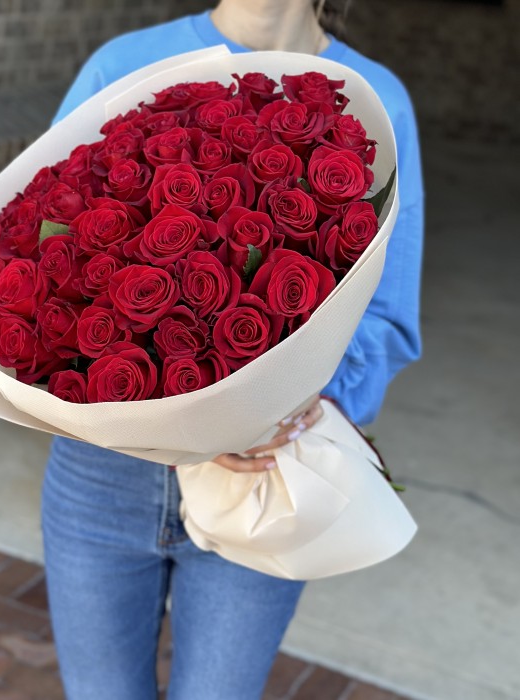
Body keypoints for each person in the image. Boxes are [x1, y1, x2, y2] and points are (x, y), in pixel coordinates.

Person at [40, 1, 424, 698]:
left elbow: (388, 318)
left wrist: (269, 409)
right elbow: (43, 261)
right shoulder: (122, 64)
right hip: (103, 478)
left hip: (267, 472)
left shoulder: (375, 101)